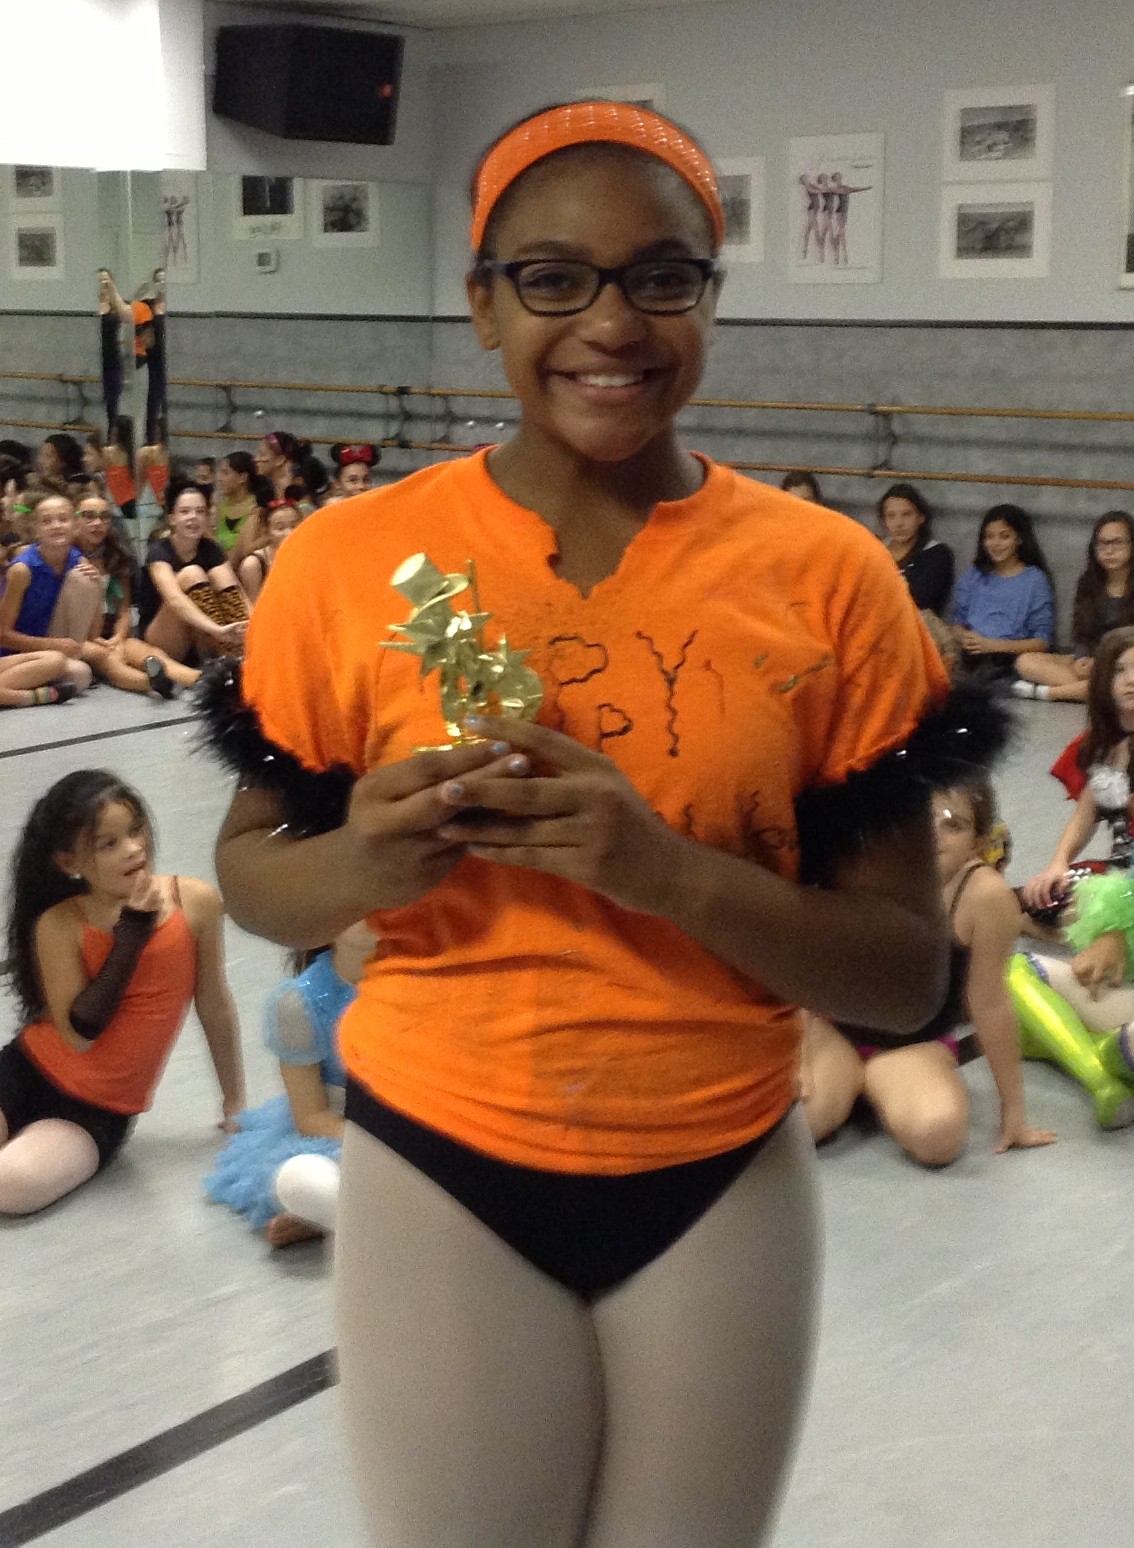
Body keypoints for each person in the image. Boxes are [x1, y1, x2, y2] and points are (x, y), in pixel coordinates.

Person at [204, 101, 1006, 1548]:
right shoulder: (353, 562)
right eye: (552, 278)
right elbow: (256, 879)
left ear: (711, 295)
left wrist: (665, 873)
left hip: (715, 1175)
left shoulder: (827, 580)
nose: (612, 323)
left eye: (661, 276)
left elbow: (902, 979)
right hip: (440, 1160)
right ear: (482, 305)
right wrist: (364, 861)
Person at [0, 771, 245, 1215]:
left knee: (10, 1186)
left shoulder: (195, 902)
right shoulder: (59, 923)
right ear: (69, 862)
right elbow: (80, 1033)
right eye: (107, 844)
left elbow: (215, 1005)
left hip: (96, 1112)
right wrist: (132, 932)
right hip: (24, 1070)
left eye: (135, 830)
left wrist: (234, 1101)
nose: (133, 848)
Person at [799, 779, 1055, 1163]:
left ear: (978, 844)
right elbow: (801, 968)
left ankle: (875, 1084)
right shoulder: (857, 868)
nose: (932, 834)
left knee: (939, 1137)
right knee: (798, 1125)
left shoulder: (985, 898)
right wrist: (797, 1055)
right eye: (920, 817)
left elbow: (990, 1002)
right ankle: (849, 1082)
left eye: (954, 825)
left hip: (914, 1043)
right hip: (835, 1030)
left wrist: (1013, 1112)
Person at [205, 921, 374, 1247]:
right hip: (339, 1131)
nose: (369, 914)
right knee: (299, 1177)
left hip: (416, 1122)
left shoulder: (424, 983)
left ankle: (336, 1216)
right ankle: (341, 1212)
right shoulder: (299, 1003)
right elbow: (311, 1118)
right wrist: (380, 1145)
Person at [1020, 627, 1134, 923]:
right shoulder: (1100, 744)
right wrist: (1057, 864)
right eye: (1119, 670)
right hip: (1121, 871)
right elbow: (1084, 815)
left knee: (1098, 912)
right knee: (1038, 898)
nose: (1131, 680)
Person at [74, 493, 197, 698]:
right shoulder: (67, 558)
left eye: (104, 517)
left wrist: (118, 638)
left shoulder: (116, 556)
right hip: (78, 636)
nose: (97, 523)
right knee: (109, 659)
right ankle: (155, 684)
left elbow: (124, 609)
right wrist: (98, 642)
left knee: (147, 651)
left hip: (112, 632)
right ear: (75, 519)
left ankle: (202, 680)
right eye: (89, 516)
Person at [1015, 512, 1134, 702]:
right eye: (1102, 544)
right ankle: (1098, 692)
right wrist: (1082, 658)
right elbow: (1082, 631)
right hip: (1094, 661)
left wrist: (1105, 661)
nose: (1109, 550)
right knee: (1026, 661)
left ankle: (1048, 693)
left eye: (1117, 542)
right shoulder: (1089, 582)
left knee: (1117, 678)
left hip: (1126, 663)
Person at [135, 482, 249, 664]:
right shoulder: (159, 551)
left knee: (221, 577)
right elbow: (175, 599)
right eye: (185, 512)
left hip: (205, 636)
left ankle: (237, 654)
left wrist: (255, 626)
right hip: (163, 637)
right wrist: (216, 630)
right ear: (172, 519)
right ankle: (227, 652)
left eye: (200, 512)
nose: (193, 517)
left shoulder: (211, 548)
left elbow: (237, 592)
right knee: (191, 574)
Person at [0, 491, 100, 694]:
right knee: (66, 667)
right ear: (36, 530)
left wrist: (98, 584)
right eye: (47, 521)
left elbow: (93, 631)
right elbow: (3, 635)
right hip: (14, 653)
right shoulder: (22, 570)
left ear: (75, 526)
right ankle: (22, 693)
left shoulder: (79, 560)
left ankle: (158, 682)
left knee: (82, 673)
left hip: (52, 645)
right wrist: (52, 645)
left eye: (63, 519)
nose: (56, 526)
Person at [951, 503, 1054, 685]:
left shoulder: (1035, 580)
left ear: (1019, 539)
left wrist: (992, 645)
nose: (996, 544)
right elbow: (957, 624)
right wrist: (964, 638)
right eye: (989, 537)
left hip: (1010, 661)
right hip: (970, 656)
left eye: (1004, 536)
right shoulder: (974, 575)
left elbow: (1041, 642)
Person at [878, 482, 955, 617]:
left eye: (906, 514)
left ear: (921, 518)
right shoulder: (875, 549)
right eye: (891, 516)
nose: (899, 523)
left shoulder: (937, 554)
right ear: (884, 521)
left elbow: (922, 601)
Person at [238, 498, 301, 606]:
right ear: (266, 531)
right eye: (280, 528)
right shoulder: (253, 564)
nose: (289, 533)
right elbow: (253, 608)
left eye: (294, 526)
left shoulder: (306, 557)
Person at [213, 451, 263, 555]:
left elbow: (245, 549)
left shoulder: (257, 508)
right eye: (220, 473)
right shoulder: (221, 505)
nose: (220, 479)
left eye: (225, 473)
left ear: (242, 478)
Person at [254, 430, 305, 500]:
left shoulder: (294, 491)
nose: (256, 459)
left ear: (280, 460)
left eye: (262, 455)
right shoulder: (272, 489)